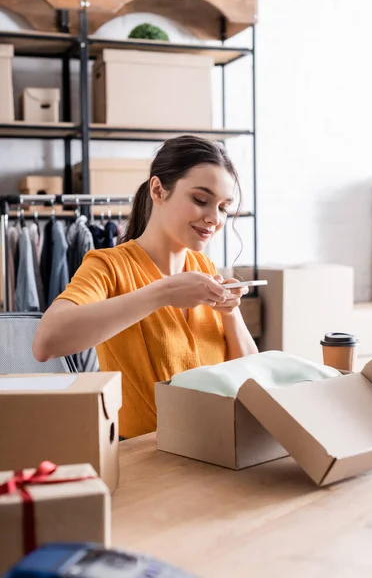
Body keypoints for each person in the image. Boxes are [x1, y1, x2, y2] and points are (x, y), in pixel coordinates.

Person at [33, 135, 258, 438]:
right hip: (144, 460)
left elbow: (250, 376)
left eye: (222, 207)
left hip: (214, 447)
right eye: (201, 200)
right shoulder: (108, 265)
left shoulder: (205, 269)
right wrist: (162, 293)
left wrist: (230, 314)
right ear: (158, 190)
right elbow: (46, 343)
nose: (214, 219)